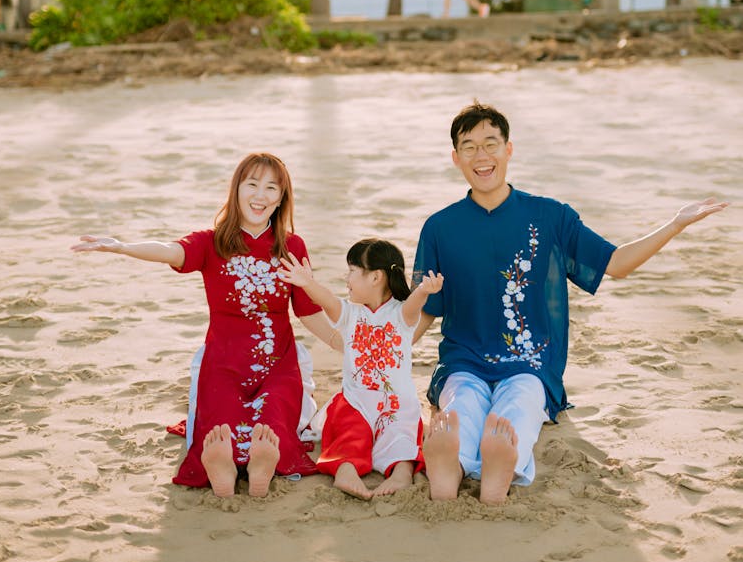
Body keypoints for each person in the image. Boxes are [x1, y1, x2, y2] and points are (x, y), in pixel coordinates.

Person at [411, 101, 728, 505]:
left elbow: (615, 264)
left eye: (491, 143)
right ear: (455, 158)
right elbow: (423, 310)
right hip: (463, 361)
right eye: (469, 147)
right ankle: (450, 467)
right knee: (460, 406)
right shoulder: (439, 227)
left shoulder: (550, 217)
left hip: (529, 364)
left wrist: (676, 223)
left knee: (519, 406)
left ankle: (494, 469)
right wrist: (381, 346)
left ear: (509, 149)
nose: (481, 155)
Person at [72, 152, 337, 499]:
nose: (260, 195)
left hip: (278, 364)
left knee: (270, 424)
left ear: (281, 197)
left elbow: (306, 310)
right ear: (237, 190)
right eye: (252, 184)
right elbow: (170, 250)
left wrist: (341, 341)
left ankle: (261, 467)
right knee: (221, 427)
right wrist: (123, 248)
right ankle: (223, 468)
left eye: (271, 188)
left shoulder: (292, 246)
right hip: (223, 363)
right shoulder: (212, 242)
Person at [279, 238, 443, 499]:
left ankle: (401, 472)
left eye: (353, 271)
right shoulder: (351, 313)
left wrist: (424, 291)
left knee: (401, 435)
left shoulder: (401, 315)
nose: (347, 278)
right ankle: (346, 470)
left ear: (376, 277)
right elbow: (328, 301)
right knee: (346, 432)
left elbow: (414, 305)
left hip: (394, 404)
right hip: (356, 400)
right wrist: (307, 283)